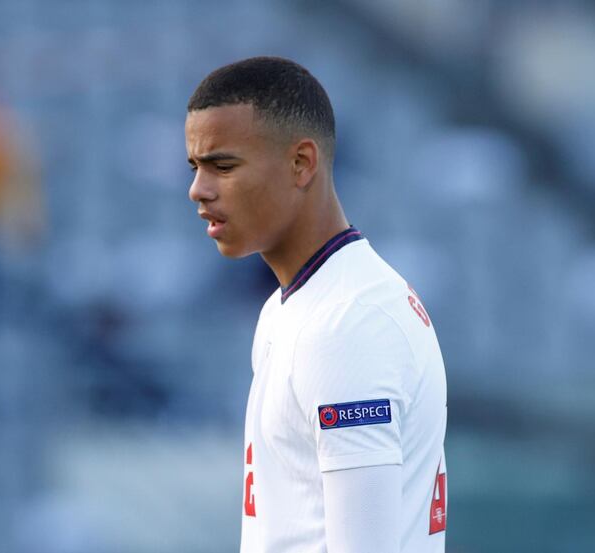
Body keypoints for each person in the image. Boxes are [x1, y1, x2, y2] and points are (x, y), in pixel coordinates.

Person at [185, 57, 447, 553]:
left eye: (224, 165)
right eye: (196, 167)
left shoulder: (347, 325)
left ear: (301, 163)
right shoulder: (295, 308)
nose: (199, 190)